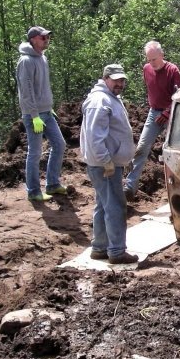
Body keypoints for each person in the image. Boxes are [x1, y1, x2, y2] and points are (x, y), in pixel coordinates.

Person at [80, 64, 138, 265]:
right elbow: (95, 138)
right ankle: (116, 251)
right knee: (115, 205)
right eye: (116, 80)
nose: (120, 84)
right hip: (104, 164)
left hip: (108, 162)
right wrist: (106, 162)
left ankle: (100, 248)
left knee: (104, 205)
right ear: (105, 79)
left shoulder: (110, 98)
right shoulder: (100, 101)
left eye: (122, 80)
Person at [123, 41, 180, 201]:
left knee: (173, 152)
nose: (151, 63)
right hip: (153, 113)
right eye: (149, 60)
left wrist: (167, 112)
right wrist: (155, 108)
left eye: (154, 59)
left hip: (172, 114)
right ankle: (129, 187)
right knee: (142, 147)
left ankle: (179, 189)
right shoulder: (146, 69)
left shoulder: (172, 70)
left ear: (162, 55)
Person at [16, 26, 68, 202]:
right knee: (35, 152)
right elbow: (26, 91)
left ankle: (52, 184)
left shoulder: (43, 58)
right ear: (33, 40)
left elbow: (42, 87)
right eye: (43, 37)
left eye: (47, 37)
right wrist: (34, 114)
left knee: (59, 145)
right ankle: (33, 191)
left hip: (46, 112)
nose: (47, 39)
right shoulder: (26, 61)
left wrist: (48, 106)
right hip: (34, 116)